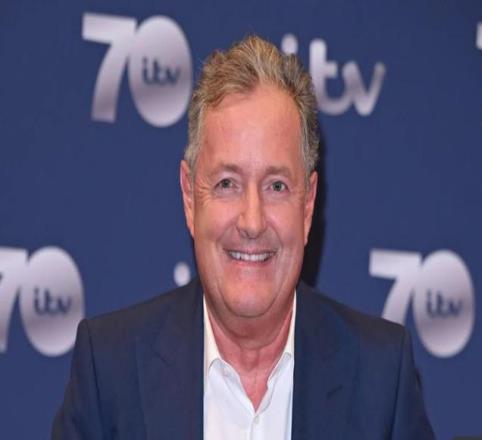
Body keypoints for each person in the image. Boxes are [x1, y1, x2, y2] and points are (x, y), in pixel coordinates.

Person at [52, 35, 435, 439]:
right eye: (227, 184)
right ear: (189, 196)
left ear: (308, 205)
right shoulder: (110, 370)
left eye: (276, 186)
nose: (252, 222)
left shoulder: (381, 377)